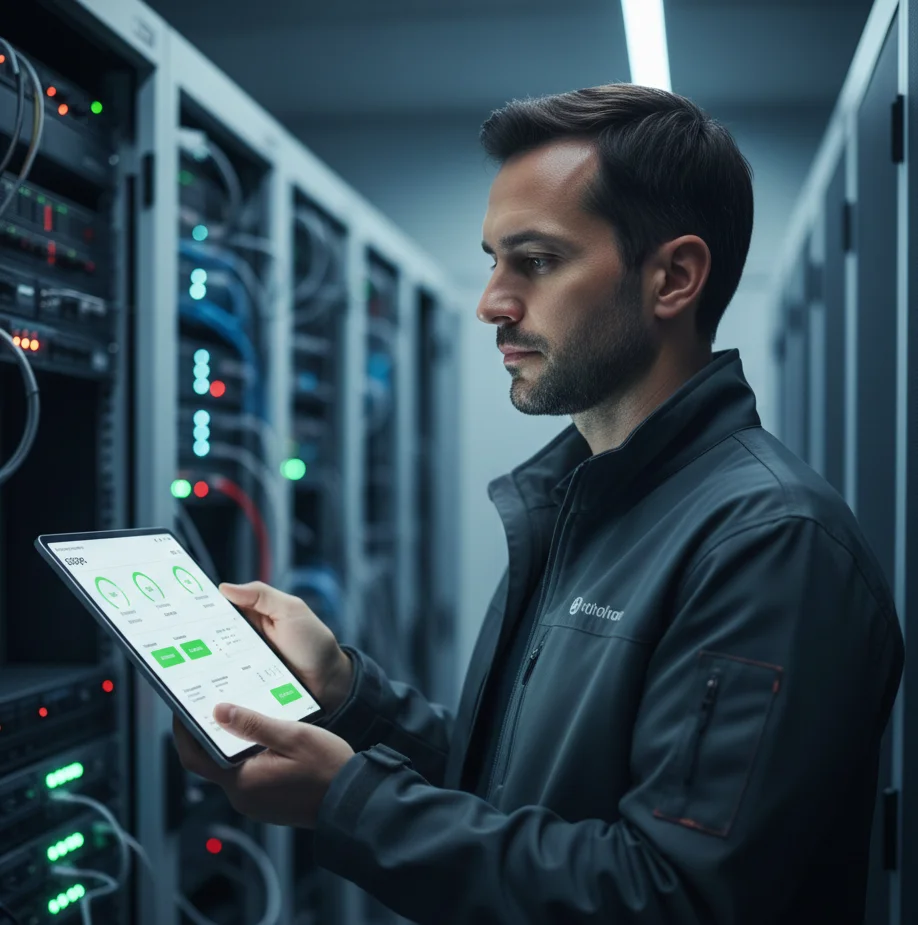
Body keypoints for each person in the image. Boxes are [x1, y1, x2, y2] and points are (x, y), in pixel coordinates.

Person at [174, 84, 905, 924]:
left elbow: (674, 896)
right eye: (493, 259)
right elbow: (524, 789)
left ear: (674, 277)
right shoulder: (586, 499)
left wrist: (347, 800)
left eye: (538, 260)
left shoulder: (772, 544)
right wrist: (347, 693)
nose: (492, 302)